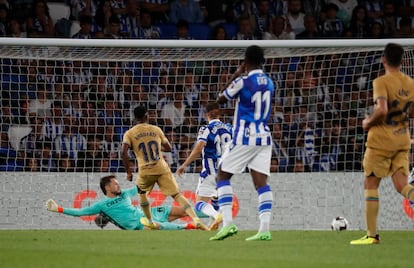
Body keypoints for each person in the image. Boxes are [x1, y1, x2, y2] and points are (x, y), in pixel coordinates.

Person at [350, 43, 414, 245]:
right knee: (402, 185)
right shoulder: (410, 83)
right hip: (402, 138)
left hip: (381, 141)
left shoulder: (380, 81)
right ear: (402, 61)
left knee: (371, 183)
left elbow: (382, 109)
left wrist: (367, 122)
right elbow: (412, 113)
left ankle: (372, 235)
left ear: (384, 60)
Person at [209, 45, 275, 241]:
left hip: (245, 136)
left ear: (245, 61)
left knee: (222, 176)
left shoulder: (243, 81)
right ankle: (264, 229)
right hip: (264, 136)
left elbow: (219, 100)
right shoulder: (269, 82)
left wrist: (236, 74)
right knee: (261, 183)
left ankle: (228, 224)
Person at [121, 105, 207, 230]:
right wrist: (157, 148)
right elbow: (169, 148)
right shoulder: (156, 129)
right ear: (147, 115)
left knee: (142, 194)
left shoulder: (129, 133)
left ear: (135, 118)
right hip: (161, 168)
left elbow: (123, 152)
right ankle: (195, 219)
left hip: (145, 170)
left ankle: (150, 221)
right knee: (177, 195)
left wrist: (129, 172)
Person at [45, 175, 197, 230]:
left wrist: (154, 176)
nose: (118, 185)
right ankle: (187, 227)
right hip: (140, 226)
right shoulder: (101, 205)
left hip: (150, 213)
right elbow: (80, 212)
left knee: (185, 210)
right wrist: (58, 208)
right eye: (115, 184)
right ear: (107, 187)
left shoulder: (124, 194)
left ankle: (214, 215)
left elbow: (139, 188)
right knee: (153, 227)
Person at [176, 102, 232, 230]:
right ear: (219, 113)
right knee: (216, 198)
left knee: (200, 203)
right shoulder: (229, 128)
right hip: (226, 172)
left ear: (207, 114)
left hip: (210, 172)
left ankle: (216, 215)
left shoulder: (206, 129)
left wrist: (184, 164)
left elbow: (199, 148)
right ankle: (213, 226)